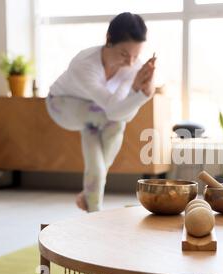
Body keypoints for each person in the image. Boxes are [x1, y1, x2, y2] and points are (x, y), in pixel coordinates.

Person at [46, 12, 156, 212]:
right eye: (124, 54)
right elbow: (115, 112)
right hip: (62, 105)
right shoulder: (85, 64)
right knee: (111, 120)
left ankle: (91, 203)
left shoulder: (133, 67)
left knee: (105, 128)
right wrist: (142, 95)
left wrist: (140, 91)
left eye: (136, 55)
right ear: (108, 40)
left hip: (99, 113)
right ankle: (92, 204)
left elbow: (122, 113)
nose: (131, 63)